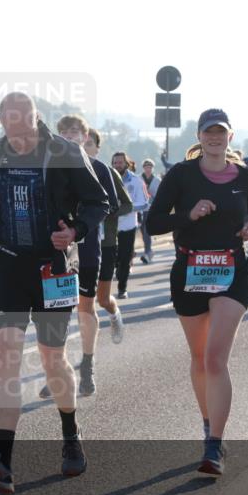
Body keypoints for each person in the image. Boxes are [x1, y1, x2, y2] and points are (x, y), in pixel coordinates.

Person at [0, 92, 108, 494]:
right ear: (0, 121)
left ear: (36, 118)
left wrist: (74, 232)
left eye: (25, 119)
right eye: (10, 120)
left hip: (52, 267)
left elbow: (98, 201)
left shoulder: (64, 151)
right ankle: (2, 463)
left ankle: (70, 432)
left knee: (52, 359)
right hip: (9, 265)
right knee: (6, 358)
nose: (18, 128)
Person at [146, 109, 248, 477]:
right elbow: (153, 223)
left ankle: (214, 445)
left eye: (221, 132)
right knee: (199, 359)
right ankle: (207, 421)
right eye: (208, 132)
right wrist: (189, 215)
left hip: (231, 271)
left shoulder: (247, 177)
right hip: (190, 270)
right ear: (199, 137)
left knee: (215, 358)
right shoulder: (181, 175)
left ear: (230, 137)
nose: (215, 137)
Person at [39, 115, 120, 399]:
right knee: (58, 314)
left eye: (74, 131)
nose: (68, 135)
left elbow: (110, 204)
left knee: (86, 309)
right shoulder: (50, 166)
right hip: (58, 252)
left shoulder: (99, 167)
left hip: (87, 249)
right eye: (63, 131)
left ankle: (87, 365)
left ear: (86, 137)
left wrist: (79, 222)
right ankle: (57, 372)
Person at [93, 130, 132, 344]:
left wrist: (104, 213)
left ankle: (114, 313)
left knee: (102, 299)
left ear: (98, 148)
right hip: (78, 245)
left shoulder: (108, 173)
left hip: (105, 243)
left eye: (89, 143)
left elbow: (127, 204)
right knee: (84, 301)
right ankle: (88, 352)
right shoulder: (67, 172)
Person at [112, 152, 149, 299]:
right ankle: (118, 269)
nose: (117, 165)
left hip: (128, 225)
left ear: (126, 164)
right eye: (115, 163)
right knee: (113, 257)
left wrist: (127, 208)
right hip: (111, 226)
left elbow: (144, 203)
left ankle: (122, 288)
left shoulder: (136, 181)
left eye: (120, 162)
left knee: (125, 257)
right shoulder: (108, 178)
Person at [139, 158, 161, 264]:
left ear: (152, 168)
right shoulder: (139, 179)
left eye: (150, 167)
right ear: (143, 168)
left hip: (150, 208)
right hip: (139, 209)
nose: (148, 169)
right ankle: (149, 250)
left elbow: (159, 196)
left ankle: (147, 251)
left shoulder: (157, 180)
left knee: (146, 230)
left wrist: (149, 193)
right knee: (142, 230)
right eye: (146, 167)